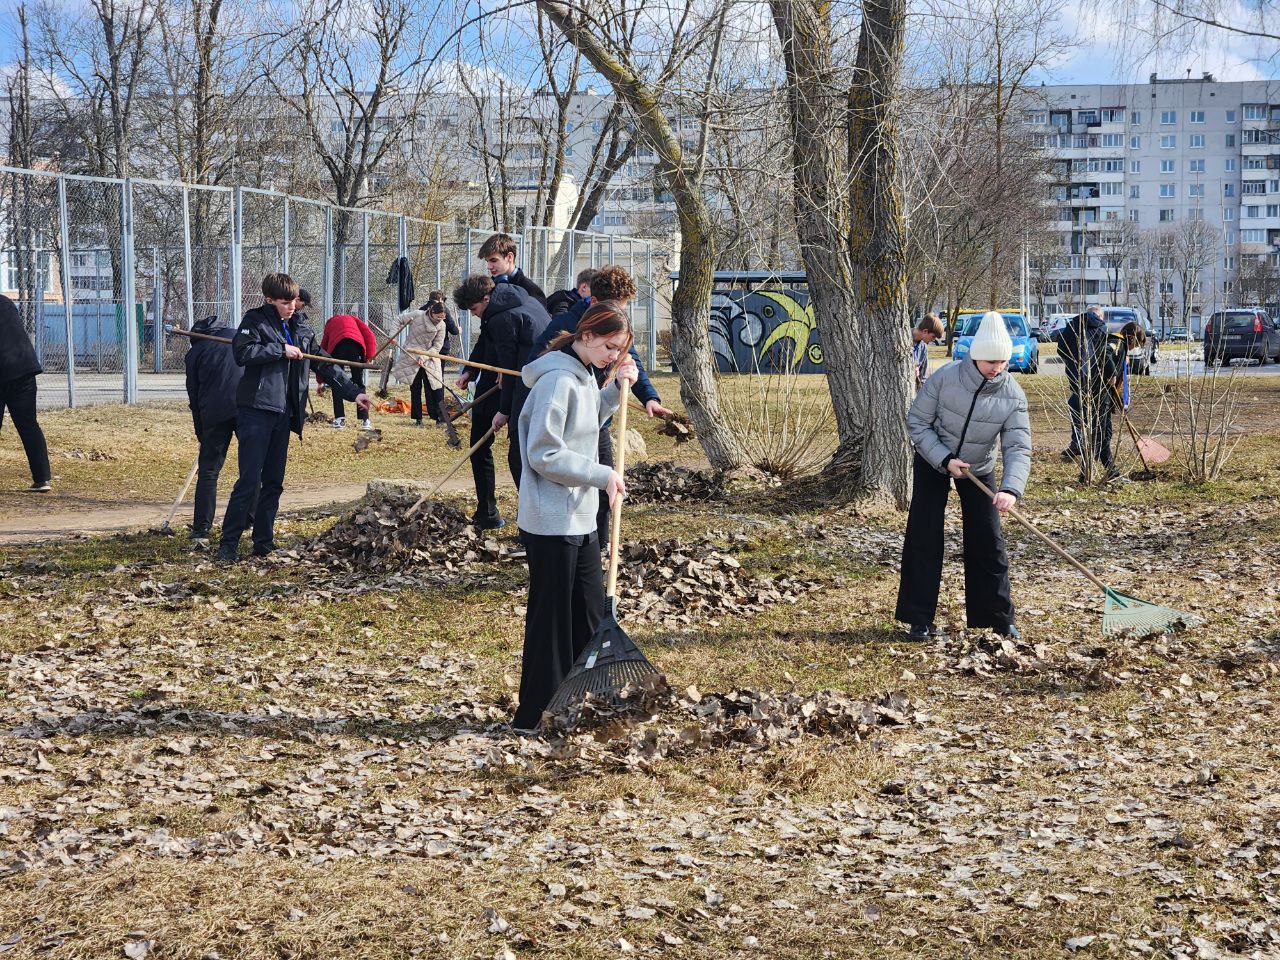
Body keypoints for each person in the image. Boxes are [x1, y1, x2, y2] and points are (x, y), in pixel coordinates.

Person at [511, 301, 637, 731]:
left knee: (586, 612)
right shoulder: (556, 381)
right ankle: (534, 715)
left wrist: (613, 394)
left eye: (619, 350)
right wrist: (601, 473)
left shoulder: (583, 374)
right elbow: (544, 453)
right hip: (551, 519)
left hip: (580, 517)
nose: (612, 356)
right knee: (551, 619)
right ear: (586, 336)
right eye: (610, 346)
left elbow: (586, 424)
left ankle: (583, 699)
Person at [895, 310, 1032, 642]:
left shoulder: (1012, 395)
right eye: (989, 360)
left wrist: (1011, 489)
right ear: (974, 356)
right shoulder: (946, 378)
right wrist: (944, 459)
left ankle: (999, 618)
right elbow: (917, 422)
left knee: (989, 540)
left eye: (1001, 360)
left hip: (979, 467)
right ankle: (919, 618)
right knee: (924, 535)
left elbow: (1018, 446)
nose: (996, 367)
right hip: (933, 459)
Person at [218, 273, 369, 563]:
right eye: (285, 302)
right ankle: (228, 544)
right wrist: (279, 350)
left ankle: (263, 542)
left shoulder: (301, 328)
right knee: (249, 482)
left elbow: (324, 364)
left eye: (294, 302)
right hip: (257, 410)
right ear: (269, 299)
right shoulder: (255, 321)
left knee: (274, 481)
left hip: (285, 414)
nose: (291, 307)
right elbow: (242, 353)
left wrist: (354, 393)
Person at [528, 265, 673, 547]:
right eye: (609, 349)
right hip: (567, 427)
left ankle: (598, 544)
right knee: (574, 484)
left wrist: (649, 397)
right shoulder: (566, 326)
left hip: (598, 421)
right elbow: (536, 365)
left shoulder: (613, 332)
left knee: (605, 490)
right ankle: (567, 543)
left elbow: (632, 363)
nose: (613, 354)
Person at [183, 313, 244, 543]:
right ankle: (248, 519)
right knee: (251, 469)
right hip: (246, 408)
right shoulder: (236, 337)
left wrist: (200, 430)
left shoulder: (194, 353)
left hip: (213, 414)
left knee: (208, 471)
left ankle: (201, 529)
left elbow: (194, 395)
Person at [453, 275, 506, 529]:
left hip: (516, 383)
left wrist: (508, 369)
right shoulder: (488, 317)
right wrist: (470, 371)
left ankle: (533, 523)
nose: (473, 314)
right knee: (479, 445)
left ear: (486, 299)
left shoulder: (507, 310)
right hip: (490, 383)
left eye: (474, 309)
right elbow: (484, 344)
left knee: (521, 454)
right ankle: (487, 511)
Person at [0, 294, 51, 492]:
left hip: (3, 371)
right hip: (24, 369)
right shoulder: (6, 302)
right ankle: (42, 478)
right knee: (29, 424)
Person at [1052, 305, 1107, 465]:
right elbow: (1104, 354)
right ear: (1100, 317)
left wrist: (1072, 363)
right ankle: (1093, 446)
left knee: (1076, 407)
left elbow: (1061, 349)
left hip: (1076, 377)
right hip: (1096, 379)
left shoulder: (1072, 326)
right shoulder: (1102, 329)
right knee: (1096, 412)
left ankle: (1077, 443)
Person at [392, 302, 448, 426]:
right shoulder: (418, 315)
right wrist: (393, 336)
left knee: (435, 388)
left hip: (430, 356)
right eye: (438, 317)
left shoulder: (442, 325)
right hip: (411, 355)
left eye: (443, 317)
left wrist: (424, 356)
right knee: (415, 388)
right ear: (432, 312)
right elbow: (398, 319)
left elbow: (437, 346)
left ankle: (439, 418)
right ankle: (418, 419)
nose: (440, 320)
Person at [320, 313, 377, 429]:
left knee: (337, 382)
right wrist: (369, 357)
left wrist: (320, 380)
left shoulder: (330, 323)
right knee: (358, 382)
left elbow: (323, 348)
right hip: (355, 346)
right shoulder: (354, 319)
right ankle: (365, 421)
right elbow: (369, 335)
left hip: (337, 346)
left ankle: (340, 419)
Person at [478, 232, 548, 306]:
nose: (489, 267)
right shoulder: (488, 288)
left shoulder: (530, 290)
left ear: (509, 257)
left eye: (494, 261)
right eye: (487, 261)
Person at [913, 313, 945, 389]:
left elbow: (922, 376)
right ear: (925, 331)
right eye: (933, 337)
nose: (933, 340)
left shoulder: (923, 347)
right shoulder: (903, 340)